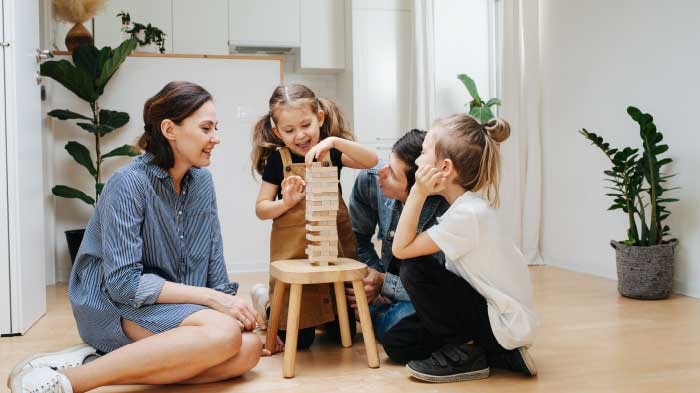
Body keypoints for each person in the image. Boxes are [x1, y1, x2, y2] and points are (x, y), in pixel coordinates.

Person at [9, 81, 264, 393]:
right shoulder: (128, 184)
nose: (216, 138)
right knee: (224, 336)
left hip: (175, 307)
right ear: (170, 129)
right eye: (206, 128)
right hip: (113, 305)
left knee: (249, 347)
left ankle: (95, 363)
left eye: (215, 128)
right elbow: (124, 285)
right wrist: (211, 299)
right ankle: (66, 382)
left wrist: (229, 303)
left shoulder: (202, 183)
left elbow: (213, 257)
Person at [390, 114, 539, 383]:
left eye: (423, 153)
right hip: (488, 314)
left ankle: (468, 351)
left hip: (500, 322)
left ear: (444, 169)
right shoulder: (465, 208)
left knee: (413, 267)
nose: (417, 161)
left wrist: (418, 192)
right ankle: (496, 354)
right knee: (398, 342)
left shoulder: (468, 215)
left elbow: (401, 250)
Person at [250, 84, 378, 351]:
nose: (299, 135)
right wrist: (286, 202)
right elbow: (261, 208)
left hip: (331, 251)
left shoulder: (331, 153)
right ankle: (265, 301)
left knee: (339, 334)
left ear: (319, 118)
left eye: (306, 125)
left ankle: (322, 317)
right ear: (277, 132)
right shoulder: (277, 161)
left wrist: (334, 141)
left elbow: (371, 160)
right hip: (295, 254)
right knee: (300, 342)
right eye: (289, 130)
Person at [347, 129, 449, 342]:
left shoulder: (445, 214)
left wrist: (384, 284)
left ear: (417, 190)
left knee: (400, 323)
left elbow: (438, 289)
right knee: (332, 295)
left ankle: (365, 316)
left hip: (419, 293)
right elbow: (356, 238)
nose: (380, 173)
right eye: (388, 162)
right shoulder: (370, 179)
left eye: (393, 174)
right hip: (384, 281)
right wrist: (371, 274)